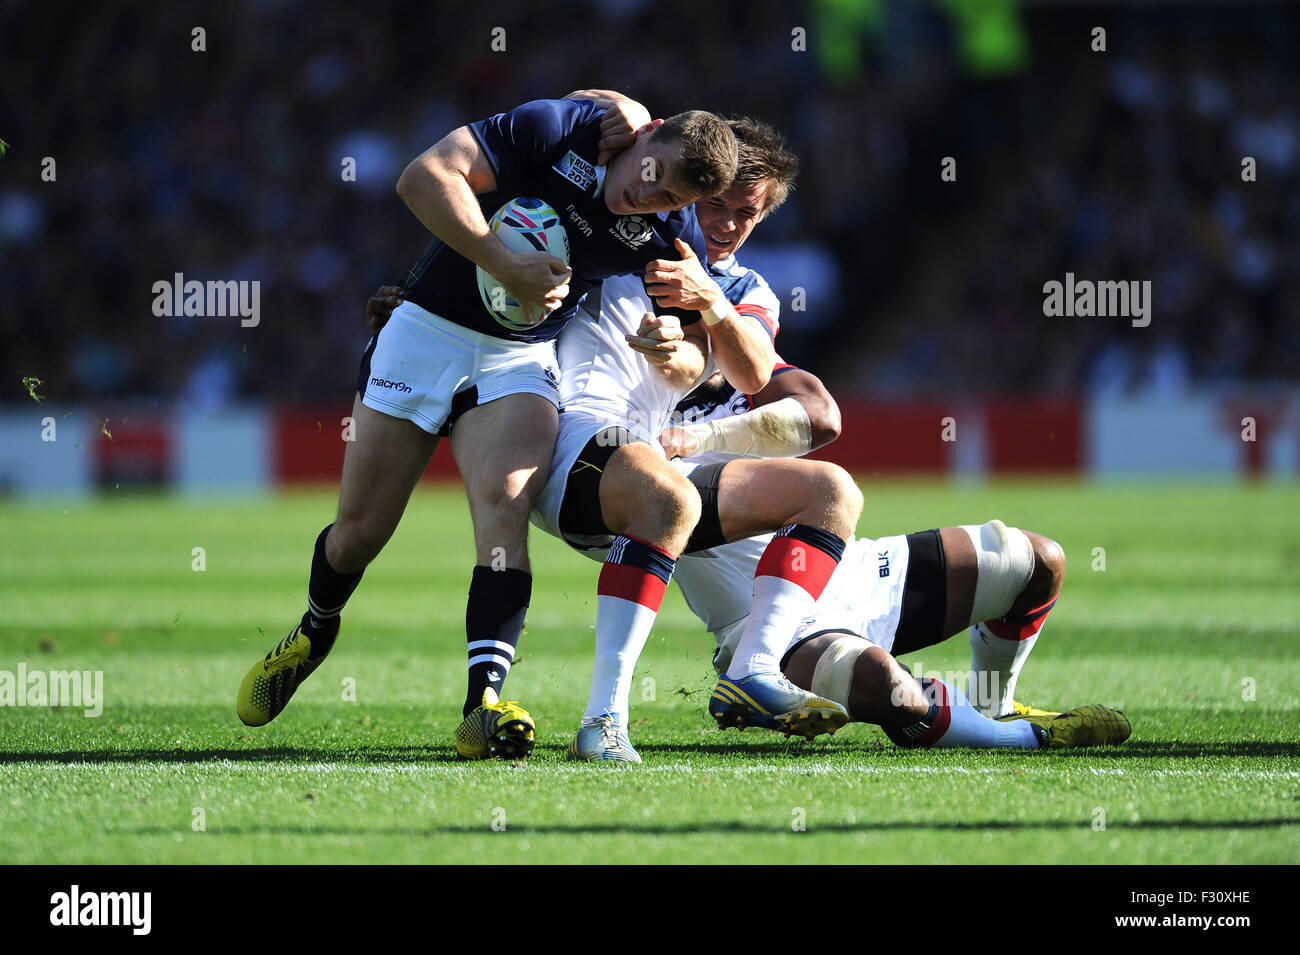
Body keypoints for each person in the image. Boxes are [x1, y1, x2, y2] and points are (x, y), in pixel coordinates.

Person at [237, 95, 739, 764]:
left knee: (504, 500)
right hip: (422, 334)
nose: (651, 200)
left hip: (517, 360)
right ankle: (314, 629)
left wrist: (668, 346)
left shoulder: (670, 234)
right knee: (361, 534)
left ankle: (484, 703)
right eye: (656, 176)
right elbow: (424, 175)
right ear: (645, 135)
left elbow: (698, 355)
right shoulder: (565, 128)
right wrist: (500, 261)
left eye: (671, 198)